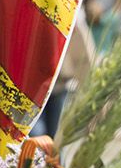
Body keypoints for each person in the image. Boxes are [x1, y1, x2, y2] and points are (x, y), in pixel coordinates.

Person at [33, 11, 95, 140]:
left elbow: (82, 52)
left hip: (59, 84)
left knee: (57, 139)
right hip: (33, 88)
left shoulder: (70, 8)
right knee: (38, 136)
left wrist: (90, 93)